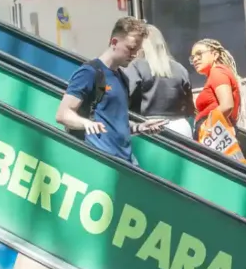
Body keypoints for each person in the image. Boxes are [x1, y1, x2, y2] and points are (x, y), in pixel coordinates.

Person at [55, 17, 165, 163]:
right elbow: (63, 114)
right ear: (114, 42)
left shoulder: (122, 78)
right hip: (100, 160)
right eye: (131, 48)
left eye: (137, 51)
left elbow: (116, 122)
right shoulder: (90, 72)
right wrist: (86, 123)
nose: (134, 55)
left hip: (125, 161)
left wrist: (140, 127)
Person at [126, 25, 194, 137]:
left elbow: (125, 97)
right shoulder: (180, 68)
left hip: (149, 127)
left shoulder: (136, 66)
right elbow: (189, 107)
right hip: (181, 128)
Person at [189, 38, 242, 128]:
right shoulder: (216, 73)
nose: (195, 59)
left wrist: (208, 126)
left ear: (215, 54)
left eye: (199, 54)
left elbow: (227, 105)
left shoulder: (218, 72)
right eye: (192, 57)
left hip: (215, 133)